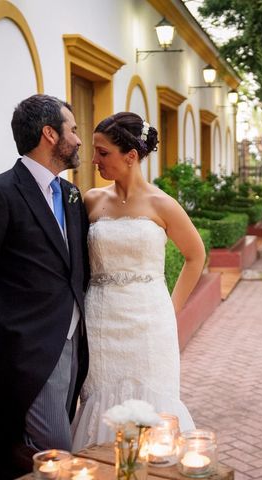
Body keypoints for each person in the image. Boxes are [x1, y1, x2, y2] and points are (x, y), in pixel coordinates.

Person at [0, 94, 90, 479]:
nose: (78, 139)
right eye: (72, 129)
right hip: (29, 352)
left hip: (74, 344)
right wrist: (14, 327)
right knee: (57, 457)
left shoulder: (72, 196)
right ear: (49, 134)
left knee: (41, 456)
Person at [71, 112, 205, 449]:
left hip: (150, 322)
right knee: (100, 402)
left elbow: (195, 256)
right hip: (102, 321)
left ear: (131, 156)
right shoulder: (91, 200)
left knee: (154, 403)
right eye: (95, 151)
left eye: (103, 153)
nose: (94, 160)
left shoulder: (163, 204)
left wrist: (170, 310)